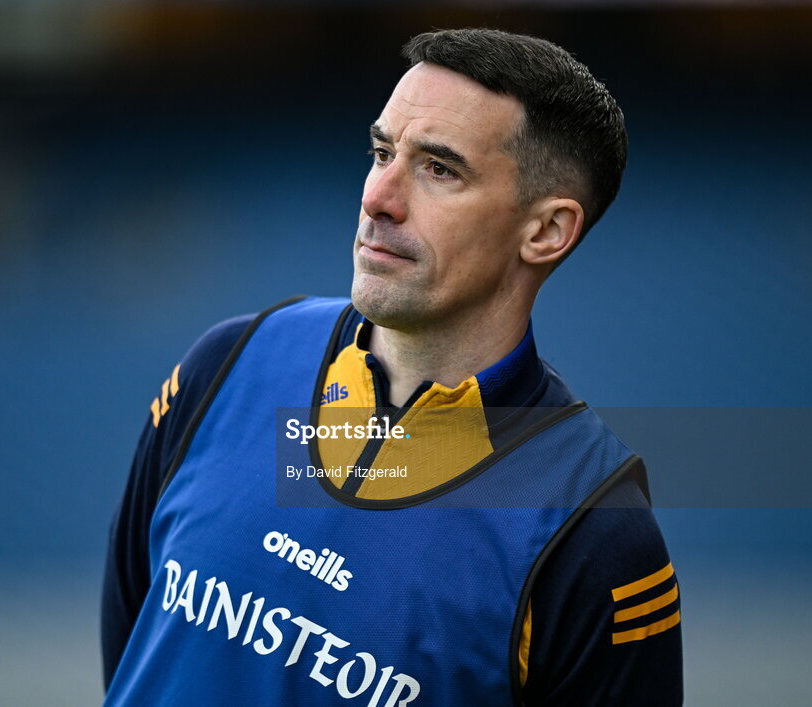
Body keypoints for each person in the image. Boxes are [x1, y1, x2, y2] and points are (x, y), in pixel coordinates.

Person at [102, 28, 682, 706]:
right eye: (383, 151)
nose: (380, 196)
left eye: (439, 169)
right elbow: (135, 661)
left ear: (546, 231)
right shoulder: (228, 364)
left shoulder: (594, 531)